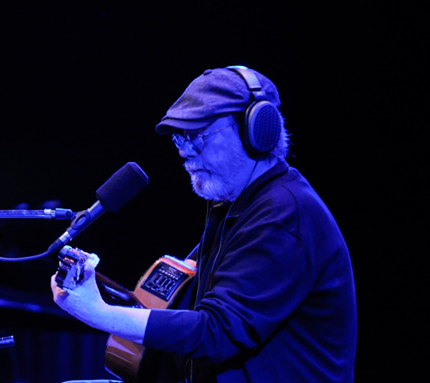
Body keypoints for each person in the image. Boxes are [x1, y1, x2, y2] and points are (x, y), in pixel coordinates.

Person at [51, 66, 357, 382]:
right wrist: (98, 289)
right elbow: (190, 311)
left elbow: (217, 331)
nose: (183, 150)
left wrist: (98, 312)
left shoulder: (285, 213)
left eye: (197, 134)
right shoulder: (233, 205)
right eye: (179, 138)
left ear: (257, 130)